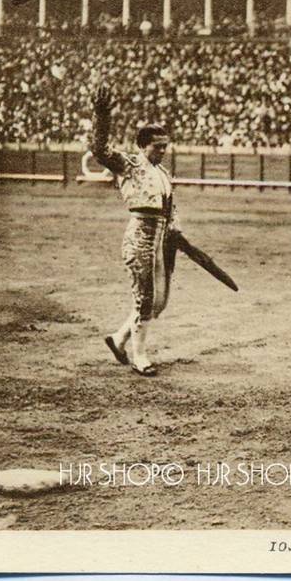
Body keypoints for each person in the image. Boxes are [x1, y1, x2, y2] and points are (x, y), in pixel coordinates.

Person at [91, 86, 178, 375]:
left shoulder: (163, 173)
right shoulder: (129, 164)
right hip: (140, 235)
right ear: (142, 145)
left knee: (160, 301)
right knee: (145, 298)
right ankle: (140, 356)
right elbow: (100, 149)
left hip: (161, 237)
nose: (162, 151)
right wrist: (102, 116)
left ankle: (118, 340)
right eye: (157, 146)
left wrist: (175, 230)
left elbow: (169, 208)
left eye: (165, 145)